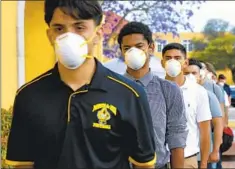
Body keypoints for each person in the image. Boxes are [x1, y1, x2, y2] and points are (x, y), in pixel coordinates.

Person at [5, 1, 157, 169]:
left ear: (98, 35)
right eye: (59, 29)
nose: (69, 37)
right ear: (50, 36)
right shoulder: (29, 96)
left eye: (79, 27)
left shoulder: (130, 95)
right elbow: (23, 164)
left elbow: (143, 164)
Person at [117, 22, 188, 169]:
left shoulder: (169, 90)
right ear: (121, 52)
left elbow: (176, 137)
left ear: (151, 47)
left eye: (139, 46)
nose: (133, 52)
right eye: (127, 48)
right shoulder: (112, 87)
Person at [161, 43, 212, 169]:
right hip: (158, 160)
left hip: (187, 159)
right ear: (162, 62)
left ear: (185, 62)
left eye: (177, 58)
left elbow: (205, 131)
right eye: (168, 58)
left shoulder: (198, 91)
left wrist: (204, 164)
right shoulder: (155, 89)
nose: (172, 61)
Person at [184, 58, 223, 169]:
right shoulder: (176, 93)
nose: (190, 76)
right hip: (185, 155)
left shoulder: (208, 95)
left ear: (200, 75)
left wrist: (215, 150)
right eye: (186, 73)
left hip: (204, 155)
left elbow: (218, 124)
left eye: (193, 73)